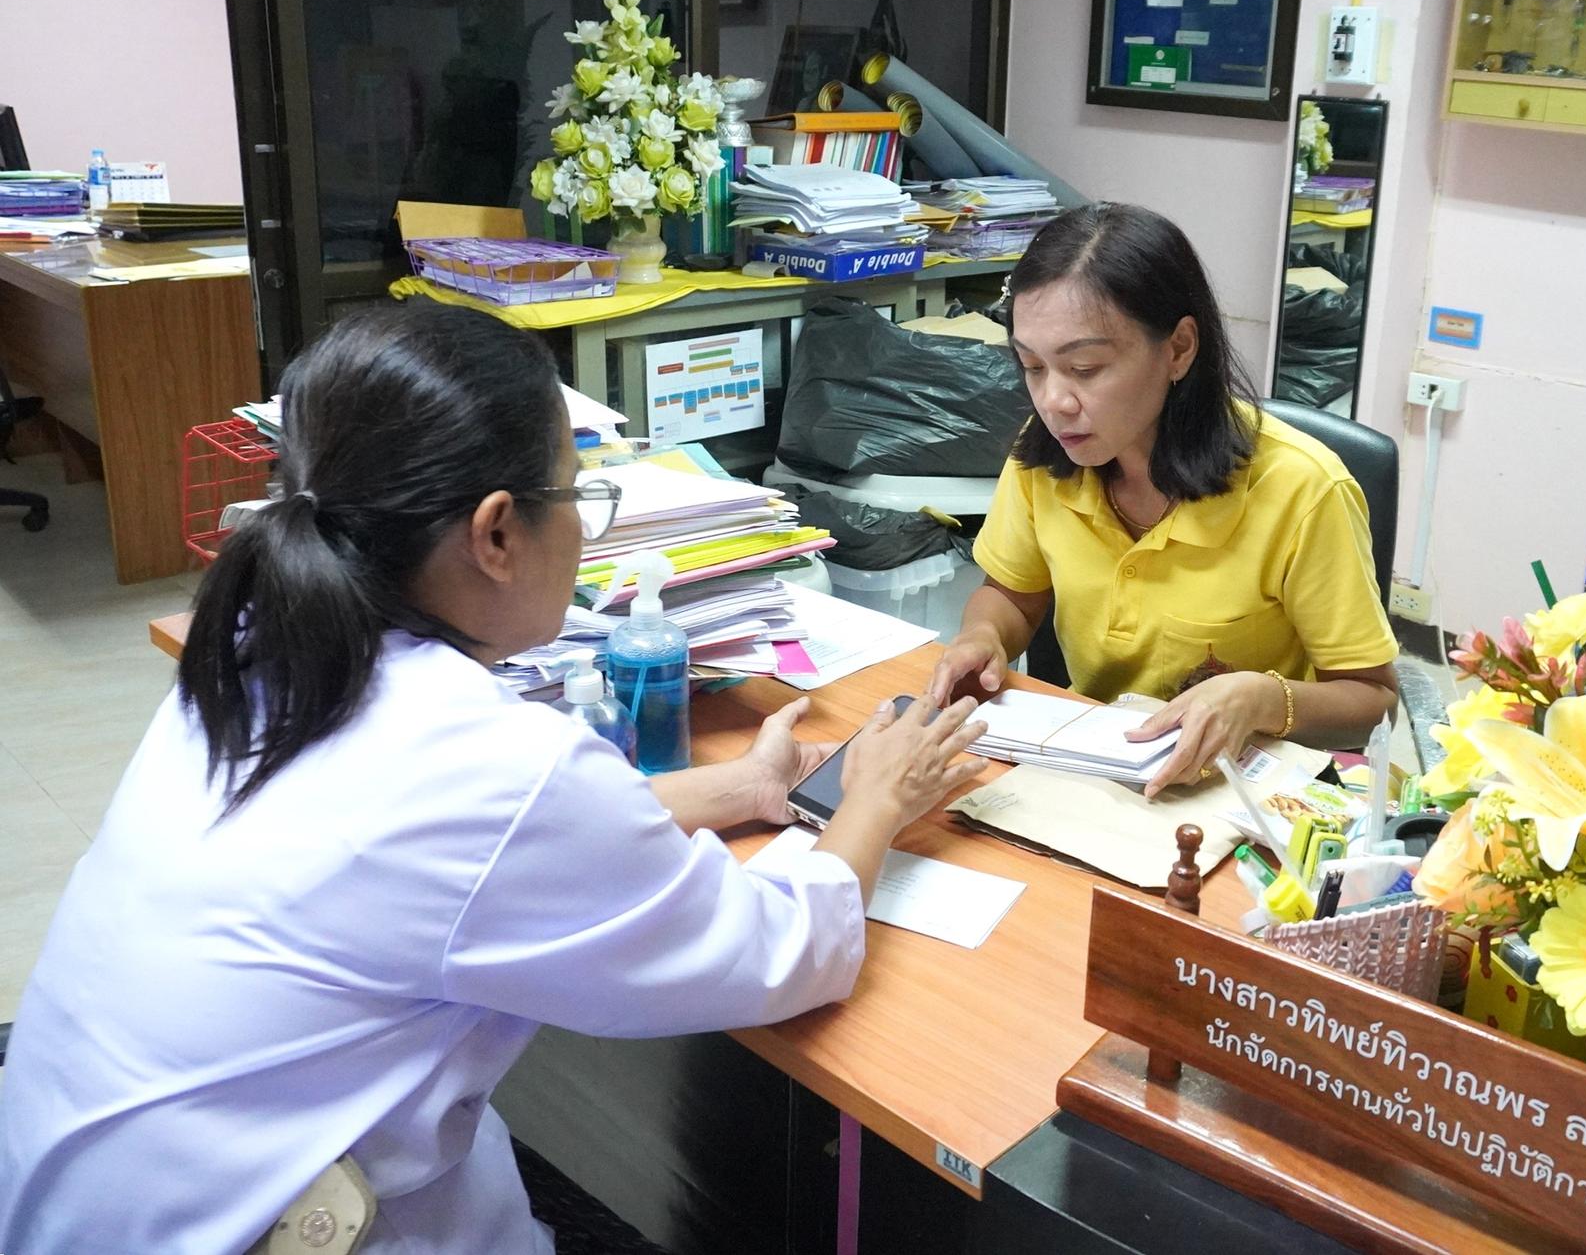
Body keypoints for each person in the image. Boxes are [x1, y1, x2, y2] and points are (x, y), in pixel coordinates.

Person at [0, 302, 985, 1254]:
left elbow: (456, 863)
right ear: (497, 532)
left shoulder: (257, 650)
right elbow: (778, 954)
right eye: (580, 495)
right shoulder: (488, 764)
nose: (588, 531)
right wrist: (874, 802)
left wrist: (734, 791)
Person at [928, 202, 1398, 794]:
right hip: (1095, 766)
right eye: (1032, 367)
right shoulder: (1046, 455)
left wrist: (1262, 698)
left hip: (1244, 792)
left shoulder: (1301, 488)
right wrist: (982, 638)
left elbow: (1375, 702)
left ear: (1178, 348)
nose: (1054, 401)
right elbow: (1012, 599)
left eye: (1085, 367)